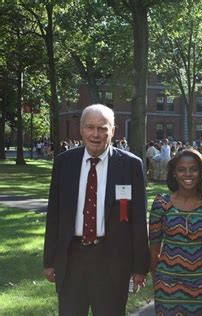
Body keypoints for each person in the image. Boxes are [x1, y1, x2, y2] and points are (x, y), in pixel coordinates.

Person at [43, 104, 149, 316]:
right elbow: (54, 214)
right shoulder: (64, 163)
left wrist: (140, 267)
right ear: (81, 129)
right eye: (90, 127)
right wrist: (49, 260)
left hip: (112, 262)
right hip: (72, 259)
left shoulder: (131, 165)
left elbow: (138, 219)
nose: (96, 134)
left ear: (113, 130)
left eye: (102, 128)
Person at [149, 149, 202, 315]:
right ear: (174, 173)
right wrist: (159, 280)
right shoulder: (162, 204)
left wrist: (198, 270)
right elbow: (154, 251)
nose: (187, 174)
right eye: (181, 169)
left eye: (193, 169)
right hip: (166, 284)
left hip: (201, 284)